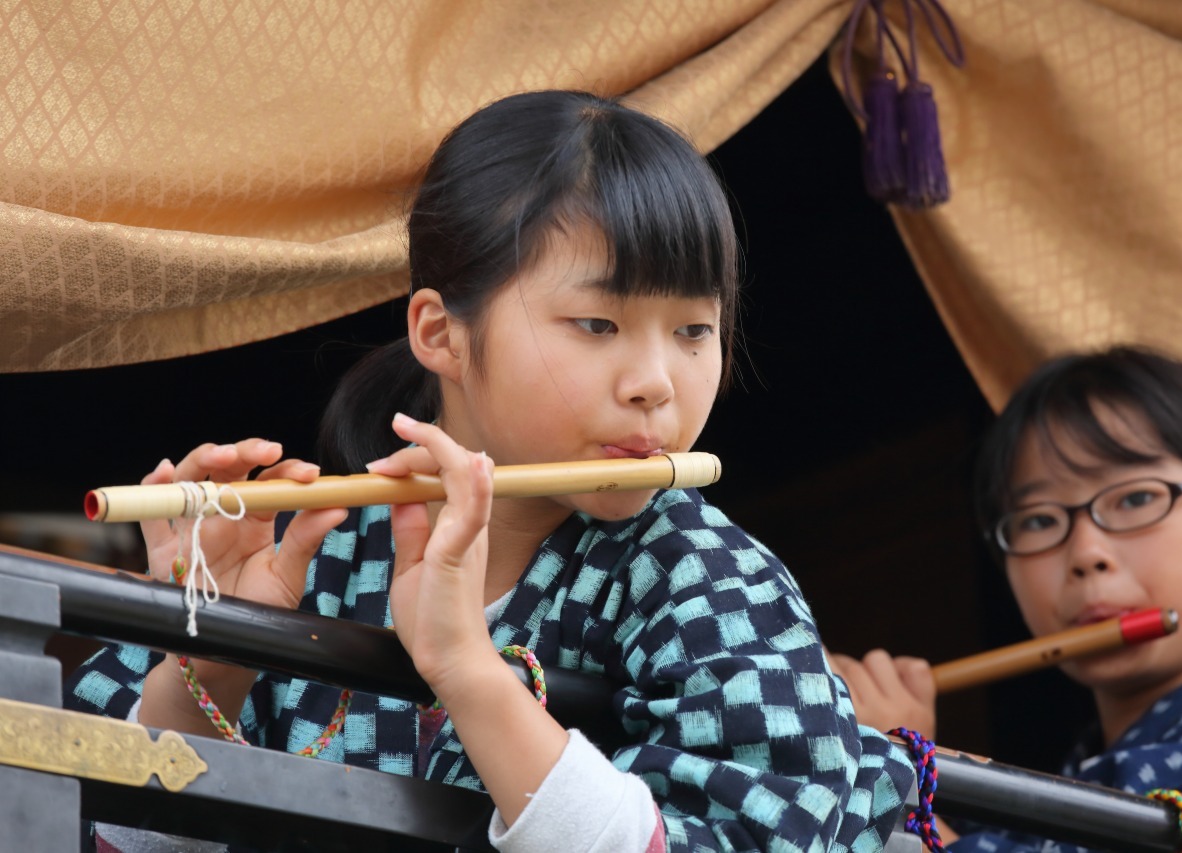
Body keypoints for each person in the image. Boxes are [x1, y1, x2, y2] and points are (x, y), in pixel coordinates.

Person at [65, 89, 915, 853]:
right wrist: (205, 657)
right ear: (440, 334)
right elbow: (60, 815)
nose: (657, 381)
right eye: (597, 323)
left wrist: (467, 668)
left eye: (693, 330)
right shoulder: (308, 561)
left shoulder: (714, 581)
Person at [828, 345, 1182, 849]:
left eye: (1136, 498)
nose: (1085, 552)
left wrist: (901, 769)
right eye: (1040, 520)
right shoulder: (1071, 779)